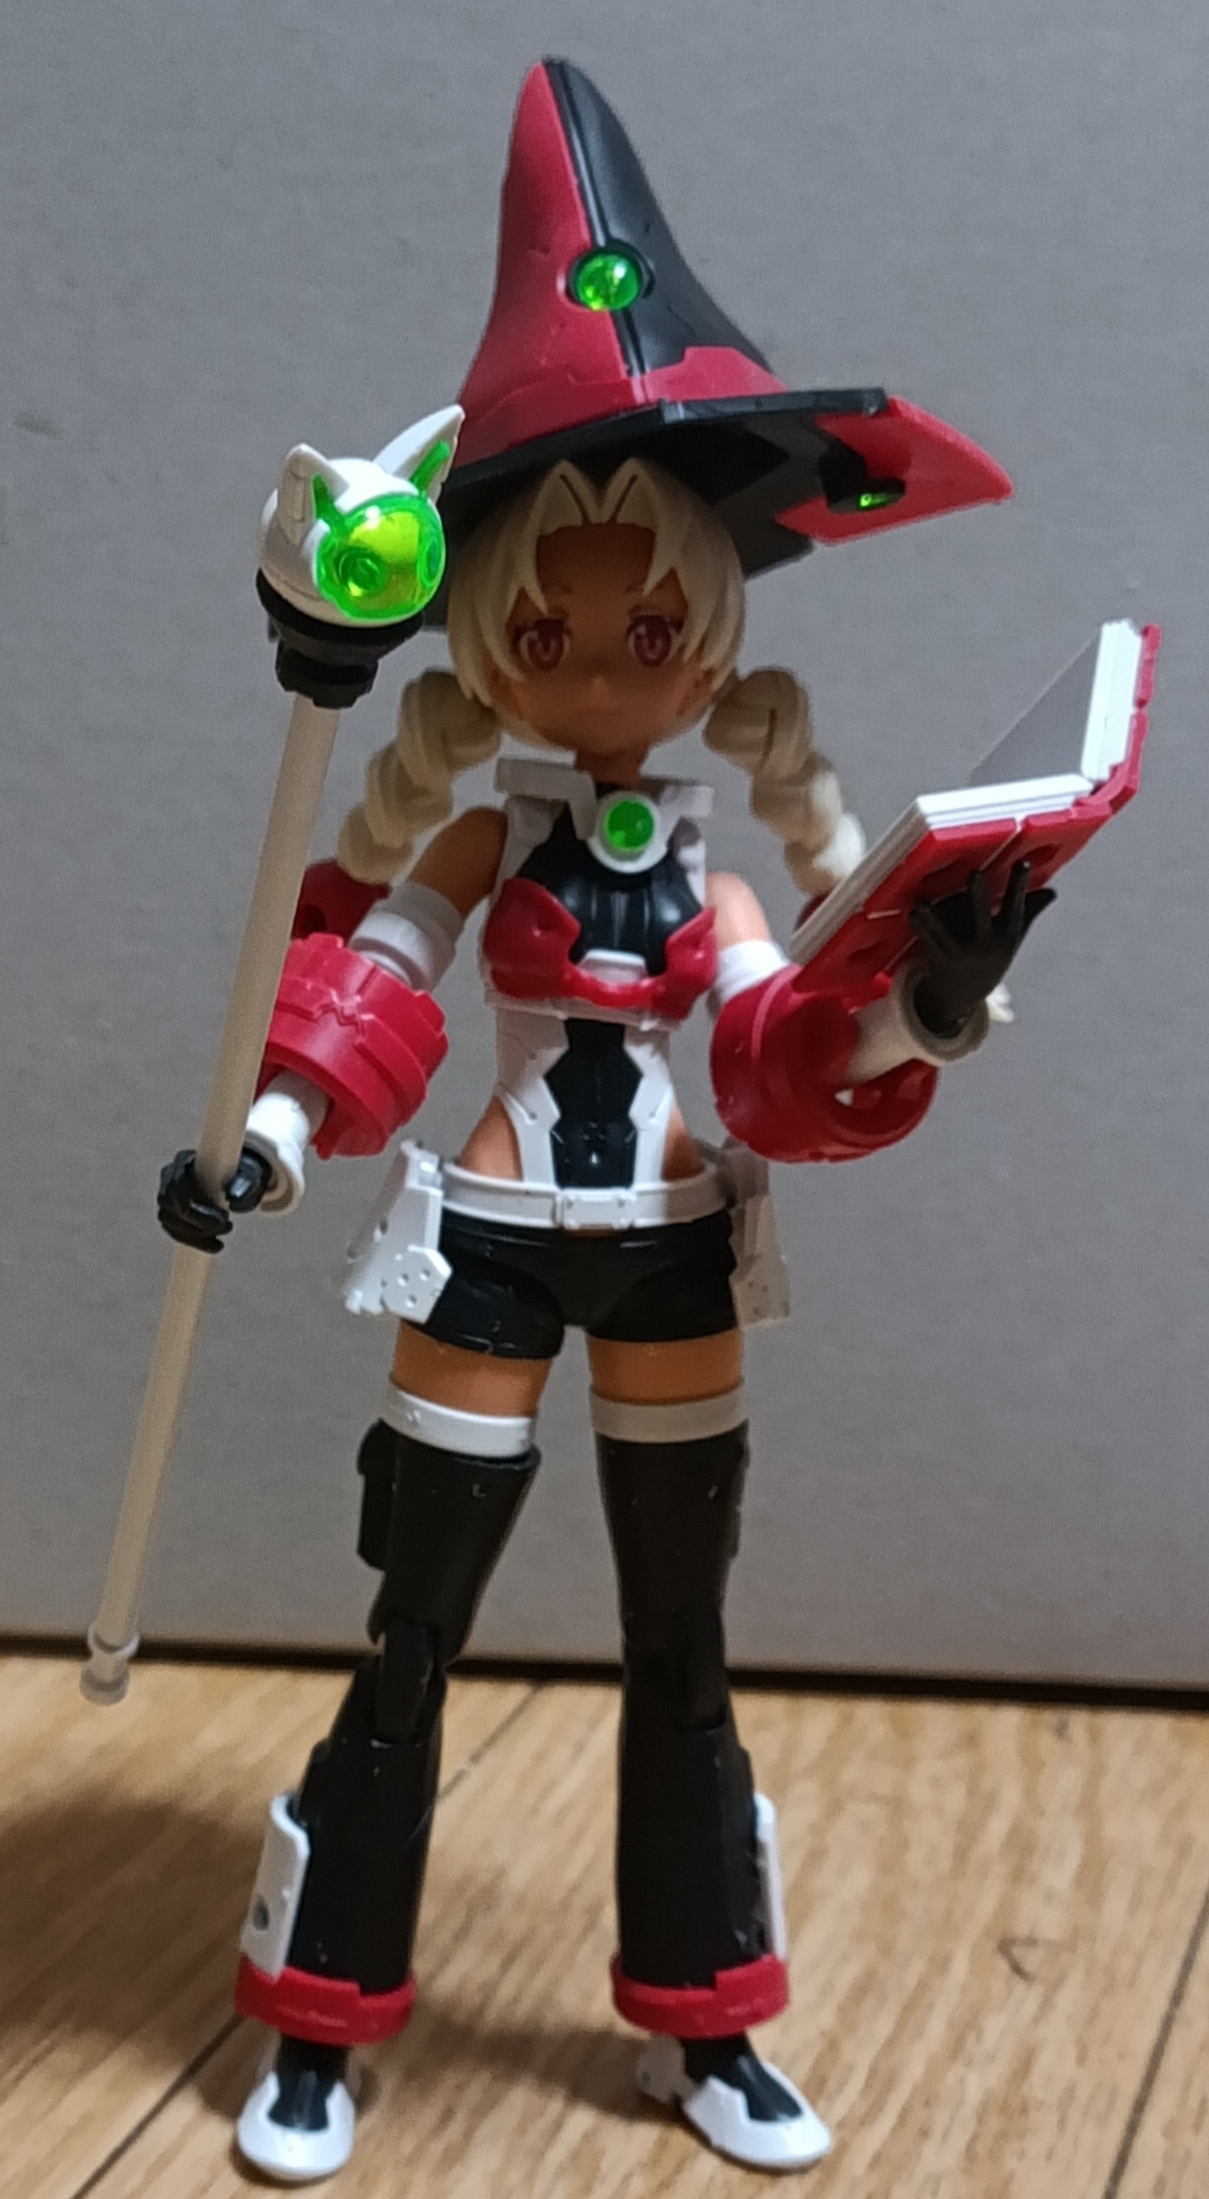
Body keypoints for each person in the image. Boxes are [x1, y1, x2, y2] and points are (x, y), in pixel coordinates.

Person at [157, 58, 1044, 2182]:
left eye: (645, 624)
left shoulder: (718, 880)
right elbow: (372, 992)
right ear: (486, 635)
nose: (596, 661)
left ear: (708, 631)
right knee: (412, 1629)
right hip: (484, 1237)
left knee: (680, 1640)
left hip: (663, 1243)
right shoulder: (478, 836)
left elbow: (776, 1062)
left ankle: (707, 2021)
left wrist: (920, 1004)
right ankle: (319, 2018)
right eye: (546, 626)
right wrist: (262, 1144)